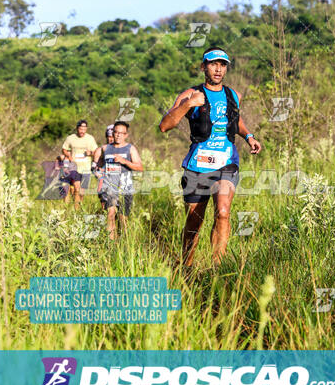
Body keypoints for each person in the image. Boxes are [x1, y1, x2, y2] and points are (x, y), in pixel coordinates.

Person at [159, 47, 262, 267]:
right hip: (197, 165)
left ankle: (218, 269)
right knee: (195, 222)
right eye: (213, 64)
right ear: (203, 66)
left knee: (223, 212)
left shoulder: (234, 95)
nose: (218, 69)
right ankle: (186, 266)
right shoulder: (189, 95)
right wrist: (188, 105)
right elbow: (165, 126)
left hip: (226, 163)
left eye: (222, 65)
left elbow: (236, 121)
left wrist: (249, 136)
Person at [95, 121, 143, 240]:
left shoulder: (130, 148)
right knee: (110, 214)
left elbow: (140, 167)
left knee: (123, 219)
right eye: (116, 132)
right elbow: (99, 163)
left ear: (126, 135)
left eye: (121, 133)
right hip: (109, 187)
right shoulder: (105, 148)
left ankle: (123, 244)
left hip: (125, 188)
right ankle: (110, 245)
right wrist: (99, 172)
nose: (118, 135)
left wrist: (124, 161)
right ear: (113, 133)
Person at [61, 120, 98, 209]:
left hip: (86, 168)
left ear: (86, 129)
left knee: (82, 192)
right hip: (75, 167)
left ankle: (78, 207)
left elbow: (97, 151)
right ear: (77, 128)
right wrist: (69, 157)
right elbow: (64, 149)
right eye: (81, 129)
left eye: (84, 129)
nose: (82, 131)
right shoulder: (70, 138)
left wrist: (91, 153)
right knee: (77, 188)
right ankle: (75, 210)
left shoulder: (90, 139)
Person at [92, 125, 115, 210]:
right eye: (109, 137)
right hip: (105, 180)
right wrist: (98, 173)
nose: (111, 139)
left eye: (113, 136)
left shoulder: (123, 149)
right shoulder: (100, 150)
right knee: (105, 206)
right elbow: (94, 167)